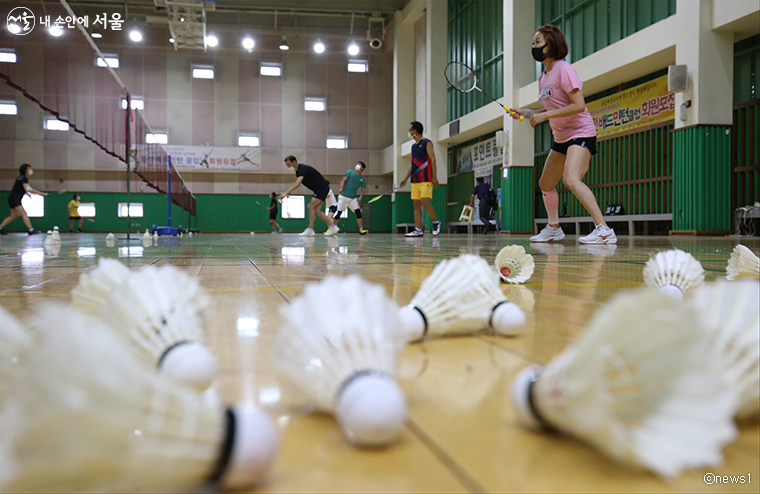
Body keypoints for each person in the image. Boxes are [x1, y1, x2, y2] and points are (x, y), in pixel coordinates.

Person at [514, 25, 616, 245]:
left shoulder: (563, 69)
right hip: (561, 137)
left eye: (538, 42)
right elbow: (553, 106)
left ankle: (604, 230)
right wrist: (528, 113)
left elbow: (579, 105)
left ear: (552, 43)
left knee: (571, 179)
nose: (534, 46)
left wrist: (545, 116)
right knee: (546, 183)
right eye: (533, 43)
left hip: (581, 132)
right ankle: (553, 229)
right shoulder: (543, 78)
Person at [398, 121, 441, 237]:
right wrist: (405, 179)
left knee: (425, 202)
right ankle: (418, 229)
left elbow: (433, 159)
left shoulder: (427, 143)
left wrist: (434, 177)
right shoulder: (413, 147)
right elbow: (412, 165)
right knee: (416, 204)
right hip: (415, 180)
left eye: (410, 130)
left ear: (415, 131)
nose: (409, 132)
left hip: (426, 179)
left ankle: (436, 222)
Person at [280, 156, 339, 237]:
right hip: (322, 189)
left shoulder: (302, 169)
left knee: (310, 206)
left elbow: (298, 184)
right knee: (317, 210)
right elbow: (295, 182)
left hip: (322, 188)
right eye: (287, 166)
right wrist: (286, 193)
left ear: (294, 162)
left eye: (289, 164)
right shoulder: (298, 171)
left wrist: (286, 193)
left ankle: (310, 229)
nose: (289, 167)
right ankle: (333, 226)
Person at [0, 164, 46, 235]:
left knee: (13, 216)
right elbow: (28, 188)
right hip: (15, 198)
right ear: (25, 170)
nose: (30, 170)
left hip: (12, 198)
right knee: (24, 213)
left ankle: (0, 228)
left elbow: (20, 188)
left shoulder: (20, 177)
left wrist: (27, 193)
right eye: (29, 168)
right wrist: (40, 193)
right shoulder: (24, 178)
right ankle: (31, 229)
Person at [334, 161, 369, 235]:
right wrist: (341, 188)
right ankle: (332, 228)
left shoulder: (362, 179)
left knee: (358, 213)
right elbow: (343, 181)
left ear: (362, 168)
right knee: (339, 213)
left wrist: (360, 197)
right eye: (357, 164)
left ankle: (361, 229)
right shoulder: (349, 172)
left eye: (359, 165)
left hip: (352, 198)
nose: (357, 165)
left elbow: (363, 190)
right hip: (343, 196)